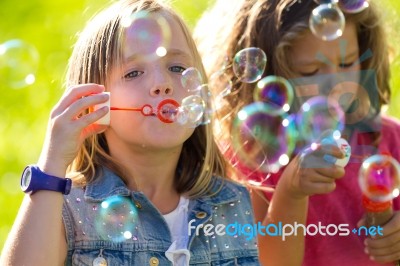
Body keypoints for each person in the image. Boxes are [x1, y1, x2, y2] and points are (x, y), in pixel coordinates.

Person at [0, 0, 261, 265]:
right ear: (94, 102)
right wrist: (52, 163)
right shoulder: (65, 206)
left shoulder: (235, 203)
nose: (163, 84)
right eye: (134, 72)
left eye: (177, 68)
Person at [194, 0, 400, 265]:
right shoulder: (246, 162)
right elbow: (265, 260)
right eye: (311, 71)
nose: (336, 83)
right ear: (267, 76)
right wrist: (291, 193)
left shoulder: (388, 140)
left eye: (348, 63)